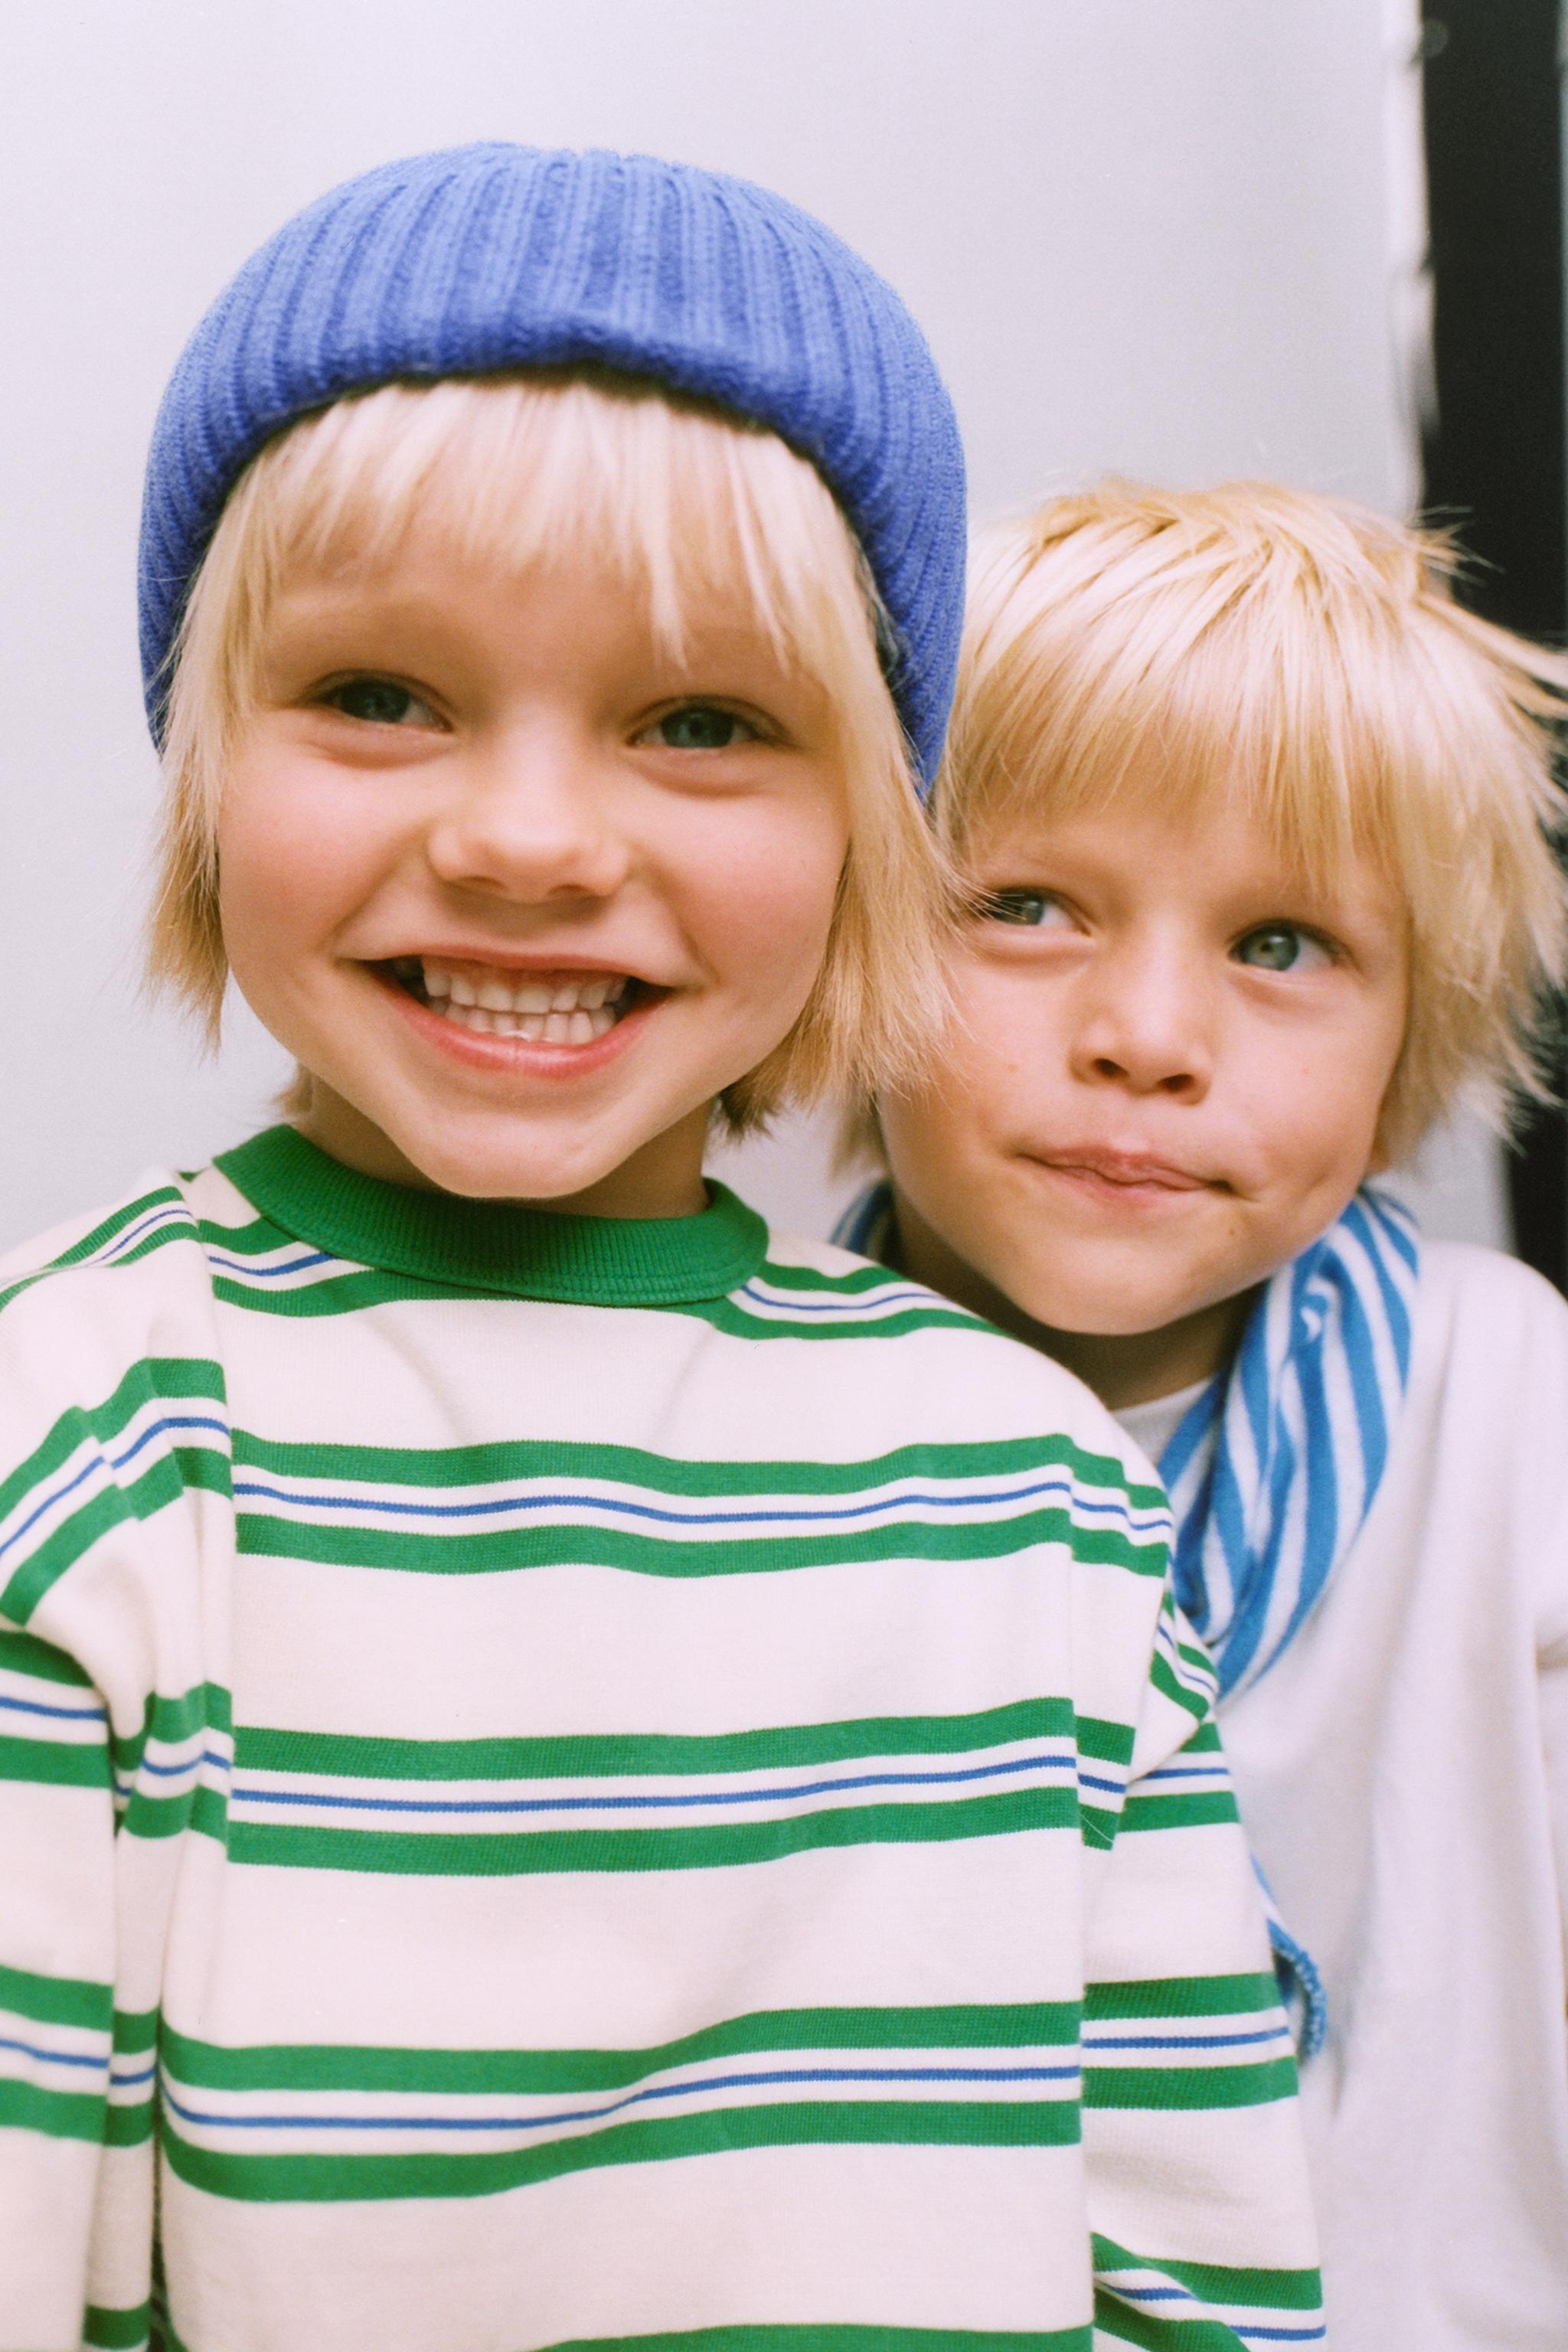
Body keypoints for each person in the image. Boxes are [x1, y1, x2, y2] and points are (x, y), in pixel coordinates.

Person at [0, 156, 1318, 2352]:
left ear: (875, 828)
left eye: (702, 723)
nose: (526, 838)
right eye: (382, 695)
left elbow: (1204, 2276)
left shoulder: (1036, 1496)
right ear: (207, 771)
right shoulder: (80, 1447)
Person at [841, 477, 1568, 2350]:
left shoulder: (1516, 1415)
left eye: (1278, 946)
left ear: (1413, 1033)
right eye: (1021, 906)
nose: (1148, 1031)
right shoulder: (738, 1441)